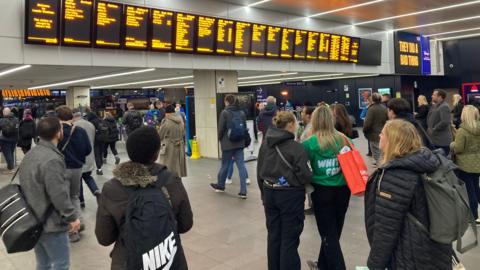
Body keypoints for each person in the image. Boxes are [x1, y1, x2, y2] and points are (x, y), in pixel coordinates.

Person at [95, 127, 193, 270]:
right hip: (168, 259)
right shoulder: (170, 179)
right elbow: (186, 224)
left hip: (127, 261)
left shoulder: (112, 188)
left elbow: (104, 238)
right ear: (156, 152)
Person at [364, 119, 451, 270]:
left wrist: (374, 264)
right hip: (434, 246)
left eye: (383, 133)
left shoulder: (395, 176)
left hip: (408, 253)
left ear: (393, 140)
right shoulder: (427, 164)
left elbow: (386, 228)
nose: (379, 136)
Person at [20, 117, 80, 270]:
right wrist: (72, 217)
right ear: (58, 133)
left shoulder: (31, 154)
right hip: (51, 223)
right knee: (61, 264)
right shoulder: (52, 159)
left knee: (43, 264)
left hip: (34, 220)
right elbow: (58, 193)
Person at [257, 111, 312, 270]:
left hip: (269, 193)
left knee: (273, 236)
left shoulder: (265, 145)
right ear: (290, 125)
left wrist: (264, 194)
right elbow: (306, 175)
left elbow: (259, 171)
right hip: (290, 196)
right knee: (289, 238)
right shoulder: (297, 148)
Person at [303, 105, 351, 270]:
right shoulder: (344, 139)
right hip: (344, 191)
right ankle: (322, 265)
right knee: (334, 232)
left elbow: (302, 167)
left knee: (328, 234)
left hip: (321, 191)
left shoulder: (309, 143)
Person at [56, 106, 92, 242]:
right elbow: (88, 149)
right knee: (74, 196)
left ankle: (72, 232)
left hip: (62, 169)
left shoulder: (57, 132)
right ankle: (79, 222)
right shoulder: (80, 131)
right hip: (77, 168)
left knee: (64, 199)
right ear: (71, 117)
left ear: (58, 118)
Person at [210, 94, 249, 199]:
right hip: (240, 143)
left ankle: (221, 185)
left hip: (228, 144)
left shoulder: (225, 113)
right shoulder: (241, 113)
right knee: (241, 166)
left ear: (226, 101)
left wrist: (219, 140)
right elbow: (245, 128)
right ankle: (243, 192)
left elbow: (221, 129)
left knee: (225, 165)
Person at [451, 105, 480, 223]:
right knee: (476, 187)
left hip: (465, 164)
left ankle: (474, 216)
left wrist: (452, 144)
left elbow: (458, 149)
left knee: (469, 191)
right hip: (478, 162)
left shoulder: (463, 131)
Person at [73, 110, 100, 209]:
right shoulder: (90, 125)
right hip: (89, 155)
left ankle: (81, 201)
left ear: (74, 116)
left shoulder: (73, 126)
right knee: (88, 177)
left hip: (78, 157)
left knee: (78, 179)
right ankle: (96, 190)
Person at [158, 105, 187, 177]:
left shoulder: (166, 121)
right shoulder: (180, 120)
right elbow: (183, 132)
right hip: (180, 146)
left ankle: (168, 180)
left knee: (167, 164)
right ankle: (177, 177)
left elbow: (160, 135)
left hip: (169, 146)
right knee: (177, 165)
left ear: (167, 113)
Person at [363, 93, 388, 165]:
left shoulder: (371, 109)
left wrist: (364, 131)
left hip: (374, 135)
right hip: (384, 134)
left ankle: (381, 171)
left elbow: (367, 123)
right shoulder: (384, 108)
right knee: (383, 154)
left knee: (377, 155)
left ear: (372, 99)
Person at [427, 89, 453, 155]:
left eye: (434, 95)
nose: (431, 96)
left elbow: (445, 121)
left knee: (443, 162)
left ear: (440, 97)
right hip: (435, 140)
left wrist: (434, 129)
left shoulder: (444, 106)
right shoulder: (435, 106)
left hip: (442, 141)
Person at [85, 109, 108, 175]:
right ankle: (100, 164)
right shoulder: (101, 120)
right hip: (104, 139)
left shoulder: (92, 122)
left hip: (96, 140)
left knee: (96, 154)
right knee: (101, 152)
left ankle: (99, 169)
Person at [0, 107, 19, 174]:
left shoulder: (2, 120)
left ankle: (11, 169)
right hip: (14, 140)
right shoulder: (16, 119)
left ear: (4, 112)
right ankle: (10, 168)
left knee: (8, 154)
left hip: (4, 140)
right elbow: (17, 130)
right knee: (10, 153)